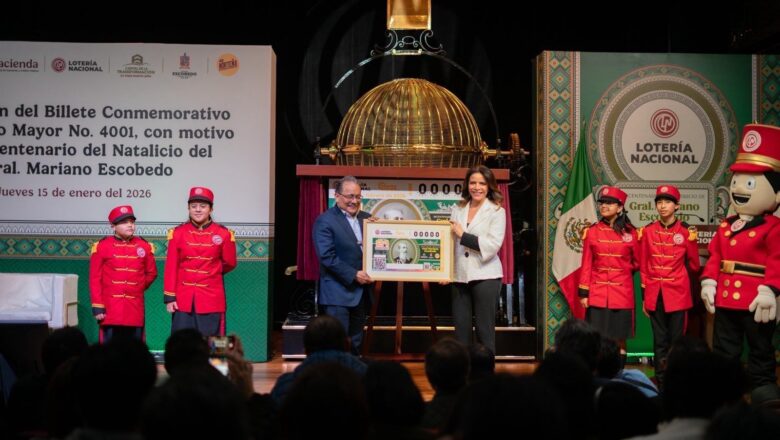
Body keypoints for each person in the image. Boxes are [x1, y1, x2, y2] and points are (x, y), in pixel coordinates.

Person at [701, 123, 780, 402]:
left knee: (760, 345)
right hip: (725, 297)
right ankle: (726, 386)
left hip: (756, 299)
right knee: (725, 346)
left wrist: (770, 289)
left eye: (750, 184)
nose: (739, 189)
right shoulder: (727, 225)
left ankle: (762, 384)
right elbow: (716, 256)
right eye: (736, 181)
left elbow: (777, 260)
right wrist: (709, 282)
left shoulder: (773, 227)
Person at [638, 185, 701, 386]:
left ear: (677, 206)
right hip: (655, 293)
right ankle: (661, 381)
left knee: (677, 342)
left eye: (667, 202)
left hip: (678, 294)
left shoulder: (686, 232)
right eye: (659, 202)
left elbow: (694, 265)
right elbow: (644, 265)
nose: (663, 206)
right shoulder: (648, 231)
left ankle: (677, 381)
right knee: (659, 341)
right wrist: (645, 297)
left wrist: (691, 244)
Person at [164, 186, 237, 337]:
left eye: (203, 206)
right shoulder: (177, 233)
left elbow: (230, 263)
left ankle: (215, 356)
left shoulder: (224, 234)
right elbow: (171, 267)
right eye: (193, 206)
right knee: (182, 341)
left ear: (211, 209)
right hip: (183, 298)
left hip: (212, 297)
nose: (198, 210)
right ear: (188, 208)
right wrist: (170, 297)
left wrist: (211, 272)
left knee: (214, 342)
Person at [312, 175, 373, 354]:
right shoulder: (325, 220)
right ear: (337, 196)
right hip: (337, 293)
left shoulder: (368, 219)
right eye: (350, 196)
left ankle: (353, 370)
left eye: (358, 196)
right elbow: (327, 257)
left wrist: (381, 230)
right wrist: (354, 274)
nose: (354, 201)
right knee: (336, 344)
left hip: (361, 293)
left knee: (356, 343)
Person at [449, 165, 506, 353]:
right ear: (467, 185)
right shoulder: (457, 209)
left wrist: (463, 235)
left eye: (482, 183)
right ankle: (463, 371)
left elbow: (492, 245)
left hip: (486, 276)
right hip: (459, 276)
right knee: (461, 333)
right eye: (473, 183)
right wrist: (446, 271)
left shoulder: (497, 211)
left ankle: (486, 370)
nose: (477, 187)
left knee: (484, 331)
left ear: (489, 186)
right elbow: (450, 243)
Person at [578, 186, 639, 352]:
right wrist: (584, 293)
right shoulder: (592, 231)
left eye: (609, 203)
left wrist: (622, 271)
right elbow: (587, 264)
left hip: (622, 294)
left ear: (619, 208)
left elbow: (637, 262)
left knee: (620, 340)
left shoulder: (632, 233)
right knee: (596, 339)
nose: (604, 206)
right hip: (597, 293)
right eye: (602, 203)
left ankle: (618, 368)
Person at [89, 205, 157, 342]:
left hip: (135, 307)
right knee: (109, 349)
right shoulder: (102, 246)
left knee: (134, 347)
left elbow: (152, 273)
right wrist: (97, 305)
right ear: (113, 226)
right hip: (110, 308)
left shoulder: (144, 246)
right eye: (124, 222)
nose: (130, 225)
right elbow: (95, 279)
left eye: (132, 222)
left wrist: (137, 287)